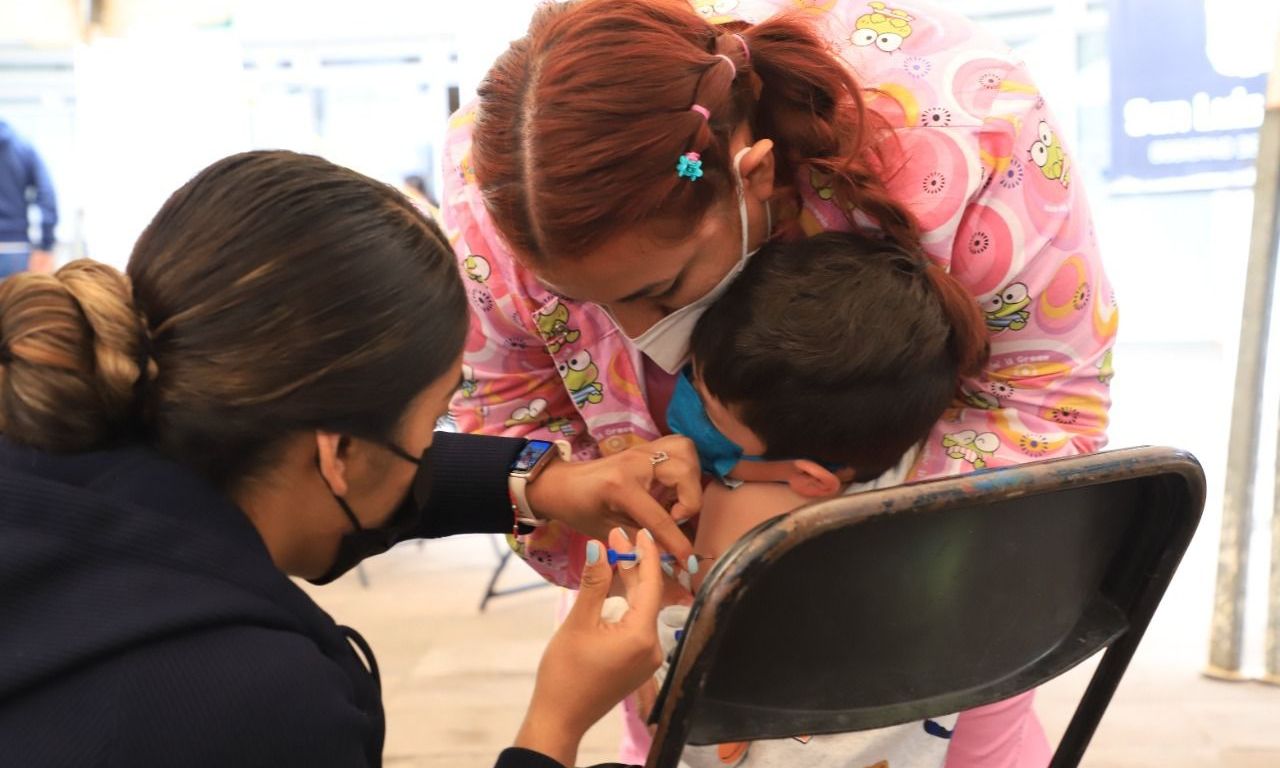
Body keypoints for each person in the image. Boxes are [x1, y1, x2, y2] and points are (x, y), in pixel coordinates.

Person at [442, 0, 1116, 763]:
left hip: (947, 620)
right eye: (582, 302)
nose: (632, 334)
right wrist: (594, 520)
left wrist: (825, 570)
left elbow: (1046, 404)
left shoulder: (966, 125)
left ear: (754, 172)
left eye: (660, 290)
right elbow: (507, 406)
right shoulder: (502, 186)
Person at [0, 150, 702, 768]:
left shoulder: (47, 454)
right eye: (431, 423)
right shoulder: (261, 703)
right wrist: (553, 726)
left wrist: (540, 482)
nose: (428, 453)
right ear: (338, 452)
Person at [650, 230, 986, 766]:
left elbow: (696, 724)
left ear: (810, 478)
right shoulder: (899, 457)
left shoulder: (749, 521)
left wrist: (651, 594)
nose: (686, 408)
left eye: (710, 412)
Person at [0, 119, 58, 277]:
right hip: (16, 248)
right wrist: (45, 245)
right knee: (19, 294)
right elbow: (47, 195)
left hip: (16, 246)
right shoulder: (23, 147)